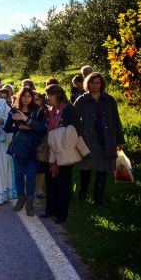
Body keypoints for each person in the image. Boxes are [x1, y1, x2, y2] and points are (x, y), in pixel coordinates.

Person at [74, 72, 125, 205]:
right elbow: (74, 120)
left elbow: (116, 120)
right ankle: (83, 194)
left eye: (97, 83)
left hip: (106, 139)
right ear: (88, 84)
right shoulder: (82, 100)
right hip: (88, 139)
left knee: (103, 168)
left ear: (101, 84)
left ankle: (98, 198)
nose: (95, 85)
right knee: (86, 167)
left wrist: (119, 140)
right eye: (92, 83)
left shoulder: (109, 100)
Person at [41, 85, 85, 223]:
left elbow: (77, 129)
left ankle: (62, 214)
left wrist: (60, 137)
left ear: (57, 95)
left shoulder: (69, 109)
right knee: (50, 181)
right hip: (51, 151)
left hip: (65, 152)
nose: (47, 98)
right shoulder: (51, 110)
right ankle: (50, 210)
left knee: (63, 184)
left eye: (49, 95)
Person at [4, 87, 47, 216]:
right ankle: (20, 199)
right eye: (24, 96)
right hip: (18, 148)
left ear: (32, 98)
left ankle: (29, 203)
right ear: (20, 97)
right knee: (18, 176)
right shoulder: (14, 110)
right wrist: (17, 127)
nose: (26, 98)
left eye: (29, 96)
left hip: (33, 149)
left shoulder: (39, 111)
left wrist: (28, 127)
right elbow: (7, 128)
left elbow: (42, 129)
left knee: (31, 176)